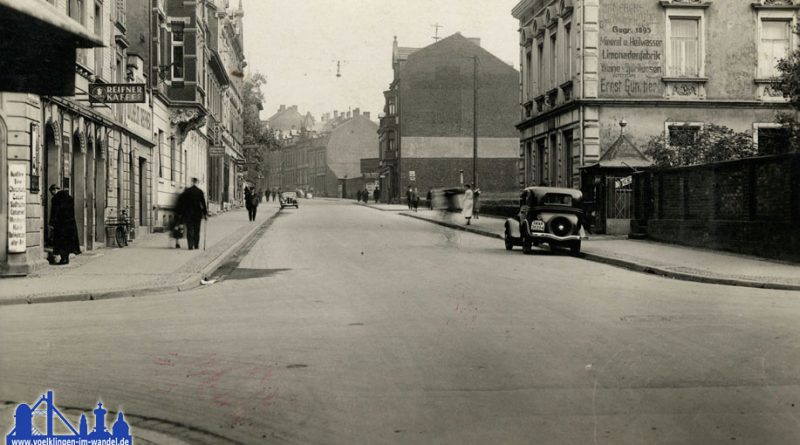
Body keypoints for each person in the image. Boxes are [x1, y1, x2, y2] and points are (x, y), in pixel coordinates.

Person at [48, 184, 81, 265]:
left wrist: (52, 223)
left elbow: (54, 212)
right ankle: (66, 258)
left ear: (54, 190)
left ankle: (64, 259)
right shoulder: (69, 197)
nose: (52, 194)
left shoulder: (56, 199)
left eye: (52, 192)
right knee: (68, 242)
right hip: (70, 224)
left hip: (60, 225)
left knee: (61, 242)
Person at [176, 177, 208, 250]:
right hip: (197, 214)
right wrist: (205, 214)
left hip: (188, 214)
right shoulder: (200, 192)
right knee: (197, 230)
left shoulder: (187, 191)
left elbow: (182, 203)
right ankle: (196, 245)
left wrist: (181, 212)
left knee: (190, 229)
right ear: (197, 182)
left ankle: (190, 245)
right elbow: (203, 203)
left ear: (192, 182)